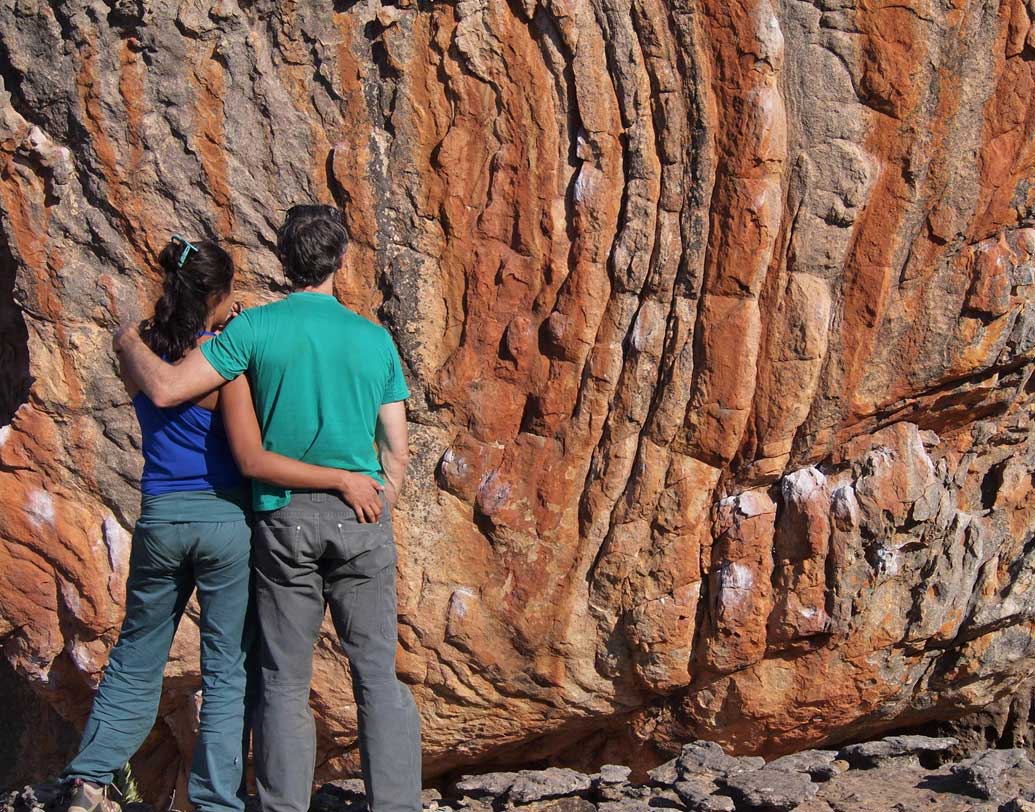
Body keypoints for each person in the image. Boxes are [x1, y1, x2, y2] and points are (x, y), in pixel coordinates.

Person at [115, 205, 421, 812]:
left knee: (283, 680)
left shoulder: (253, 332)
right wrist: (376, 492)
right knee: (377, 678)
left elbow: (172, 387)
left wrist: (127, 337)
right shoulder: (374, 339)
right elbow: (396, 449)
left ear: (284, 262)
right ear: (341, 260)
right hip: (362, 515)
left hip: (283, 517)